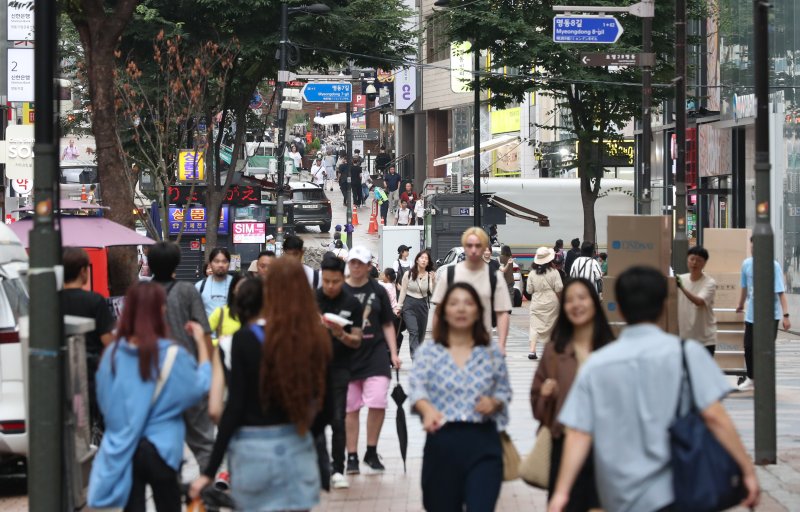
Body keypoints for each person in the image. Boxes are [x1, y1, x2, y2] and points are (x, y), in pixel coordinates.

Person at [549, 266, 760, 512]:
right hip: (674, 490)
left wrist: (561, 493)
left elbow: (579, 433)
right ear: (663, 305)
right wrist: (746, 469)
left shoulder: (596, 365)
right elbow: (714, 416)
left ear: (620, 308)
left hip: (617, 495)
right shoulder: (687, 355)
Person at [190, 259, 331, 510]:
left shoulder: (242, 340)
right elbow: (327, 404)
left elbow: (233, 407)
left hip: (251, 449)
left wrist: (210, 471)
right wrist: (306, 431)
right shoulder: (314, 336)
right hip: (297, 445)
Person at [88, 282, 210, 511]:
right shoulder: (173, 355)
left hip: (126, 448)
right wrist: (202, 342)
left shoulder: (111, 356)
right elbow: (199, 388)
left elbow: (104, 403)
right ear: (160, 310)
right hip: (164, 449)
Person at [410, 283, 511, 512]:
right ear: (444, 311)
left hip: (483, 442)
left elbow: (504, 391)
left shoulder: (491, 352)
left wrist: (494, 401)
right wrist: (426, 409)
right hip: (442, 441)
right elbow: (417, 388)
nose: (461, 309)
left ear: (478, 311)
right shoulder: (429, 352)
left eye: (468, 303)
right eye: (454, 303)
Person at [531, 278, 613, 509]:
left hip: (605, 448)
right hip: (564, 442)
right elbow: (535, 400)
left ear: (595, 303)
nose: (576, 304)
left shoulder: (611, 350)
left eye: (582, 298)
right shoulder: (554, 350)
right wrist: (545, 394)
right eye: (569, 300)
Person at [148, 241, 215, 472]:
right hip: (188, 374)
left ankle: (170, 491)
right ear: (177, 263)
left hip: (154, 377)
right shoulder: (187, 290)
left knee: (163, 440)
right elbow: (203, 331)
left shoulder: (141, 293)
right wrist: (212, 369)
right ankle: (209, 490)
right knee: (203, 440)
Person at [343, 246, 402, 474]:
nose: (356, 267)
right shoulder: (340, 290)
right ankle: (351, 456)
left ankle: (370, 450)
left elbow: (388, 323)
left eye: (361, 263)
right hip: (348, 355)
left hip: (376, 352)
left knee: (378, 401)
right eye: (353, 262)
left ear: (369, 267)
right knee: (351, 408)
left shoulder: (378, 290)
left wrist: (394, 353)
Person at [317, 256, 364, 489]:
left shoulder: (352, 303)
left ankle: (338, 469)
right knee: (313, 421)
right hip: (313, 369)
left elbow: (357, 340)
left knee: (338, 419)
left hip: (339, 368)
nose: (330, 286)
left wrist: (340, 335)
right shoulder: (311, 300)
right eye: (326, 281)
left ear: (342, 278)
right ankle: (319, 468)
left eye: (335, 281)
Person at [60, 247, 116, 432]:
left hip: (59, 372)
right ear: (84, 271)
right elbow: (108, 341)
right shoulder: (95, 301)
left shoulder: (50, 300)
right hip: (90, 373)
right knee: (93, 422)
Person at [431, 227, 513, 353]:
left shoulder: (494, 277)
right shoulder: (450, 275)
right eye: (469, 245)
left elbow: (502, 313)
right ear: (464, 247)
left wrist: (502, 345)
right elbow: (438, 311)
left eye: (478, 245)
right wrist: (436, 342)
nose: (474, 250)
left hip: (483, 346)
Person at [735, 238, 790, 391]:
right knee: (748, 347)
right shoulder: (746, 264)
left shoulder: (774, 266)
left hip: (770, 316)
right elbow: (744, 288)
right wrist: (740, 304)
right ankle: (752, 378)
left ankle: (765, 379)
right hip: (751, 315)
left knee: (766, 349)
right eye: (752, 248)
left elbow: (781, 292)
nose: (754, 250)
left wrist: (786, 315)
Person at [208, 276, 264, 424]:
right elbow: (204, 334)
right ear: (233, 290)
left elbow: (215, 411)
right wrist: (217, 341)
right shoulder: (221, 313)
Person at [677, 246, 717, 356]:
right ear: (687, 260)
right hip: (683, 339)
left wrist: (681, 287)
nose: (694, 263)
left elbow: (699, 301)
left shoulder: (709, 283)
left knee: (702, 373)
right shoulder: (681, 279)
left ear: (704, 263)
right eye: (692, 259)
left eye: (699, 260)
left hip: (704, 341)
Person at [396, 250, 436, 359]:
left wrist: (433, 280)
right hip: (409, 304)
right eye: (422, 258)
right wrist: (398, 307)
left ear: (428, 262)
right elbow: (403, 290)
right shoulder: (408, 274)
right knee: (414, 331)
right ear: (417, 260)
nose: (424, 260)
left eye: (426, 258)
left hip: (422, 305)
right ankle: (416, 359)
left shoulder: (429, 275)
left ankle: (418, 355)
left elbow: (432, 293)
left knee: (421, 335)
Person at [526, 247, 563, 360]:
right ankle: (551, 350)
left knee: (534, 327)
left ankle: (532, 351)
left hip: (537, 301)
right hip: (552, 301)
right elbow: (559, 288)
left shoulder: (532, 273)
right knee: (552, 325)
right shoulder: (554, 272)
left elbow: (529, 290)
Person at [196, 248, 234, 318]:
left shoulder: (237, 285)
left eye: (224, 261)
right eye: (216, 261)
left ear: (229, 264)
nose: (220, 265)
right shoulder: (200, 286)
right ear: (210, 264)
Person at [208, 273, 244, 345]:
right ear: (233, 289)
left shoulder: (258, 314)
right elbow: (202, 336)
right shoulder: (221, 312)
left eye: (248, 288)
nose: (244, 291)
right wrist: (219, 342)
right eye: (241, 287)